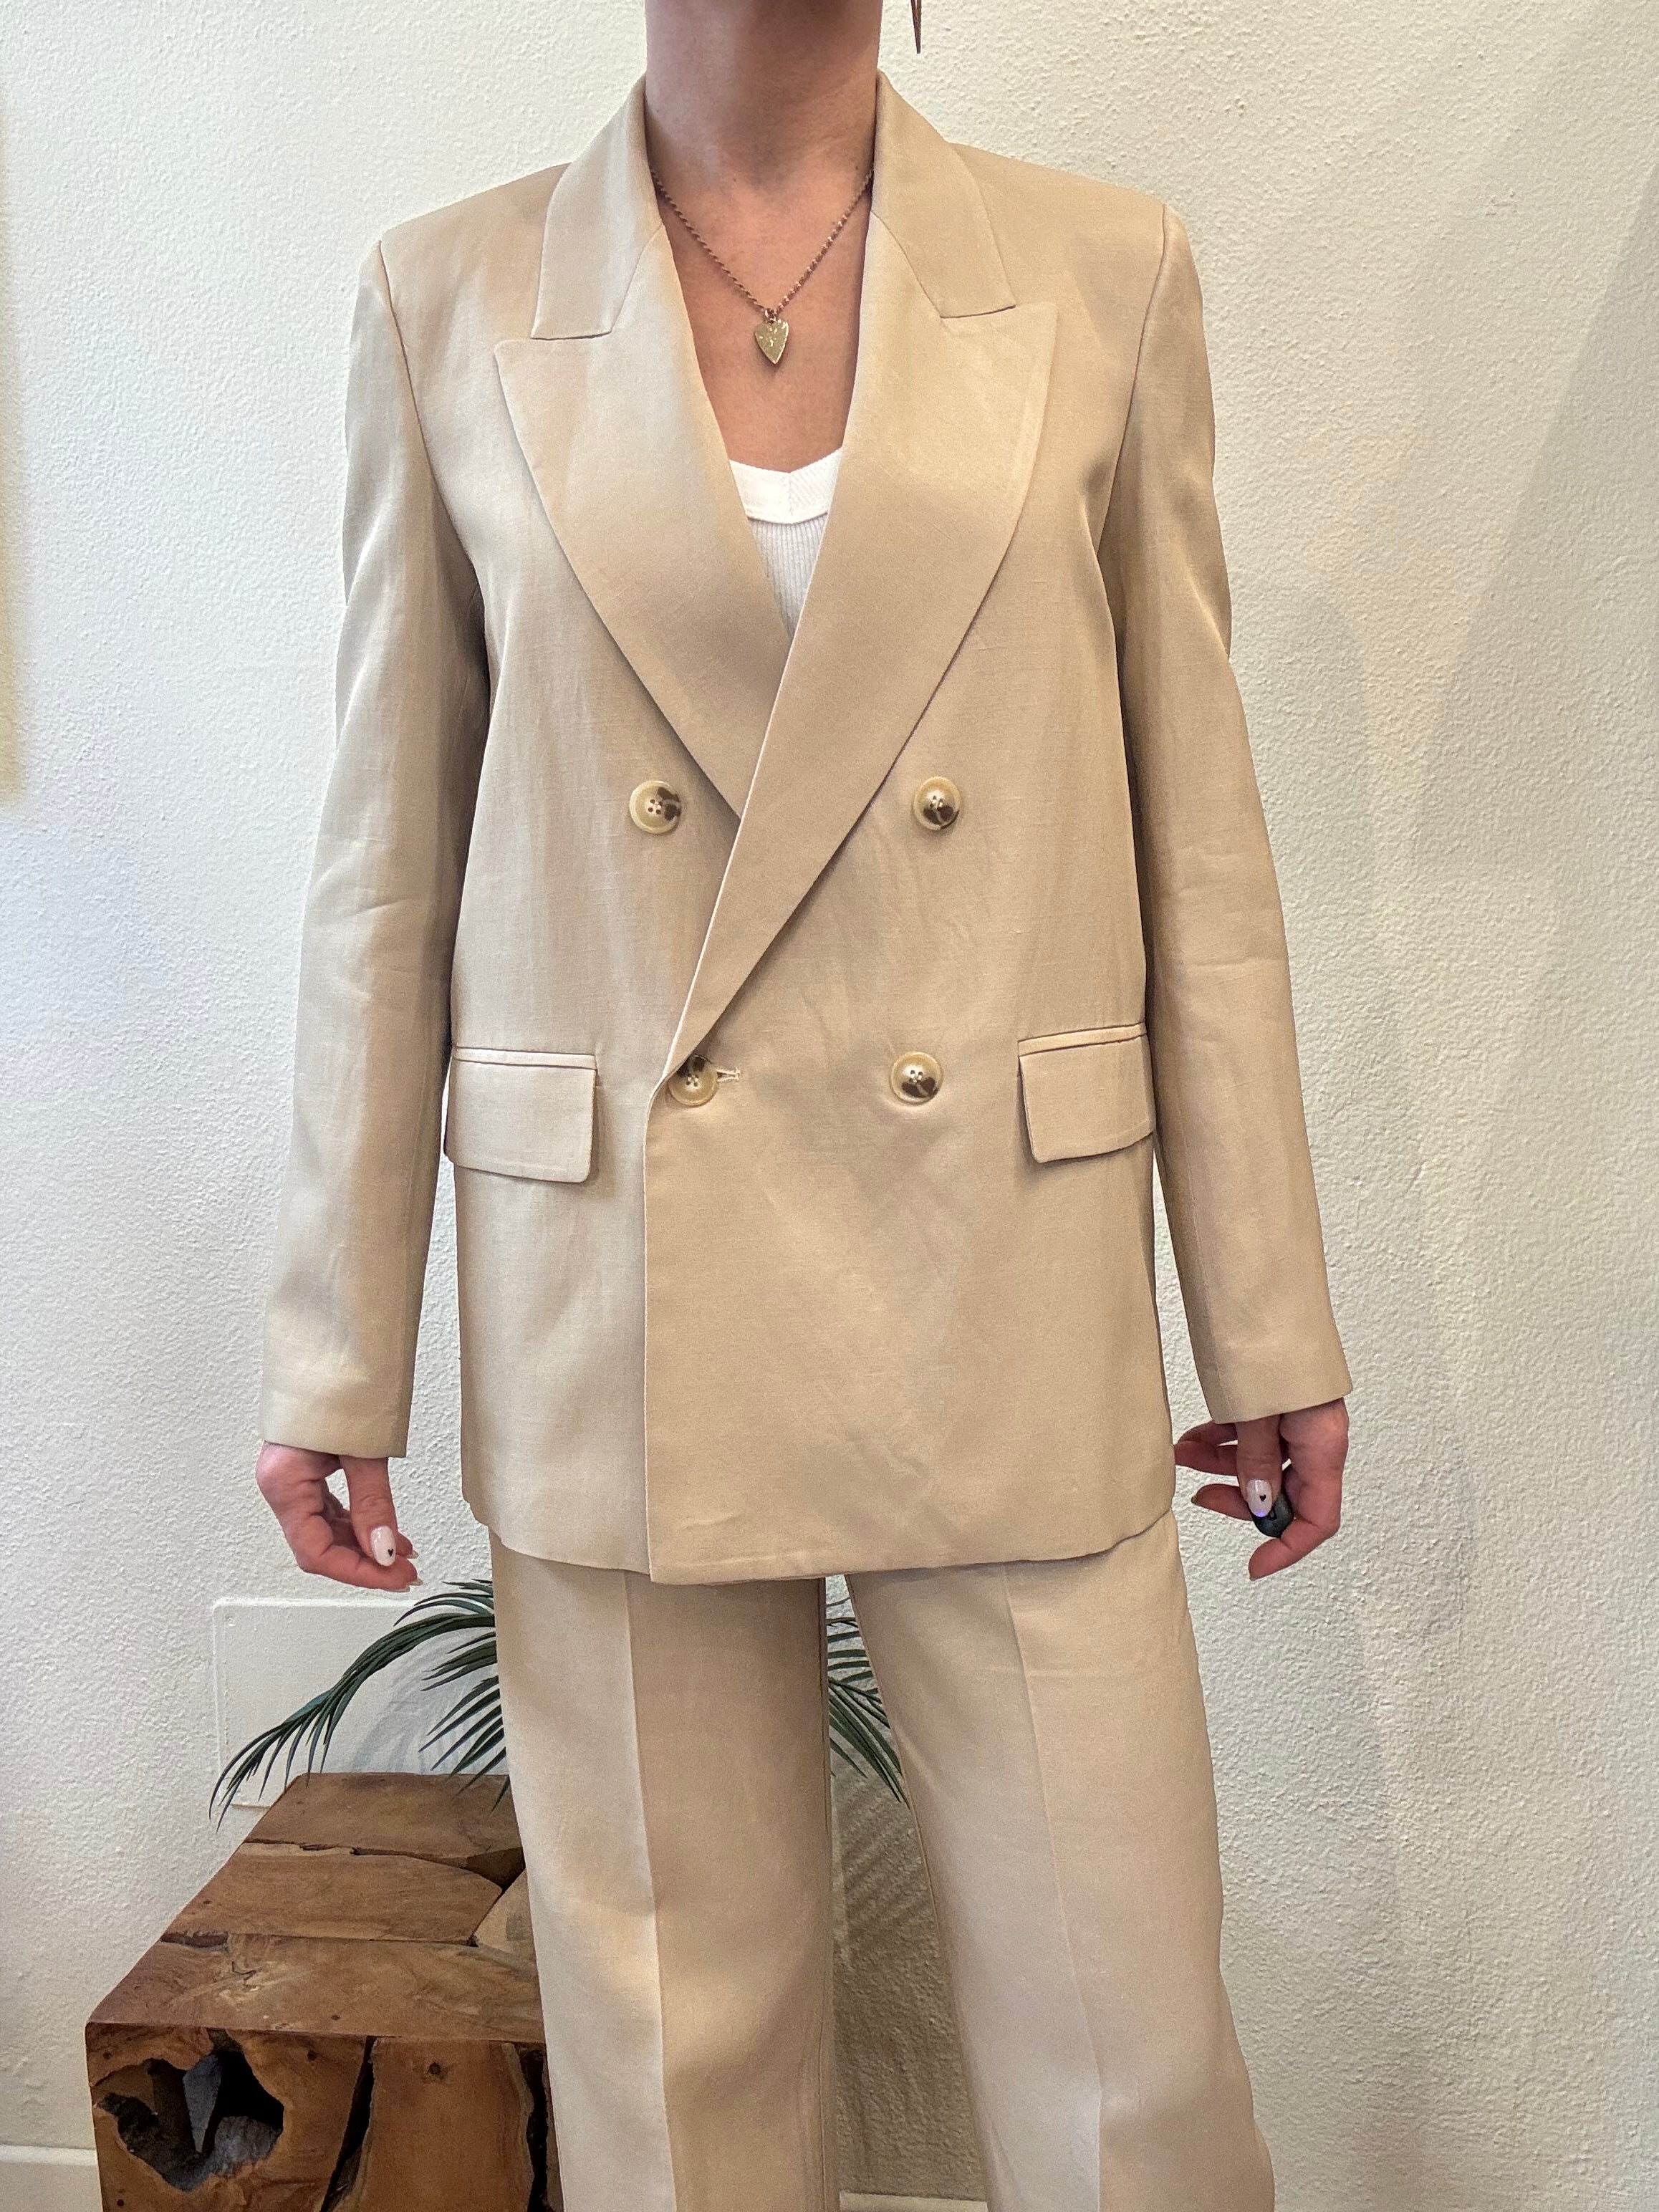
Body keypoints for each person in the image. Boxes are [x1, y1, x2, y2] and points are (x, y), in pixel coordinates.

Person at [253, 1, 1352, 2205]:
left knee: (1125, 2057)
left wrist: (1266, 1318)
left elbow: (1199, 850)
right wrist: (334, 1347)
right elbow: (388, 871)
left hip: (1004, 1255)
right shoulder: (446, 297)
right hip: (624, 1284)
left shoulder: (1100, 272)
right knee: (676, 2062)